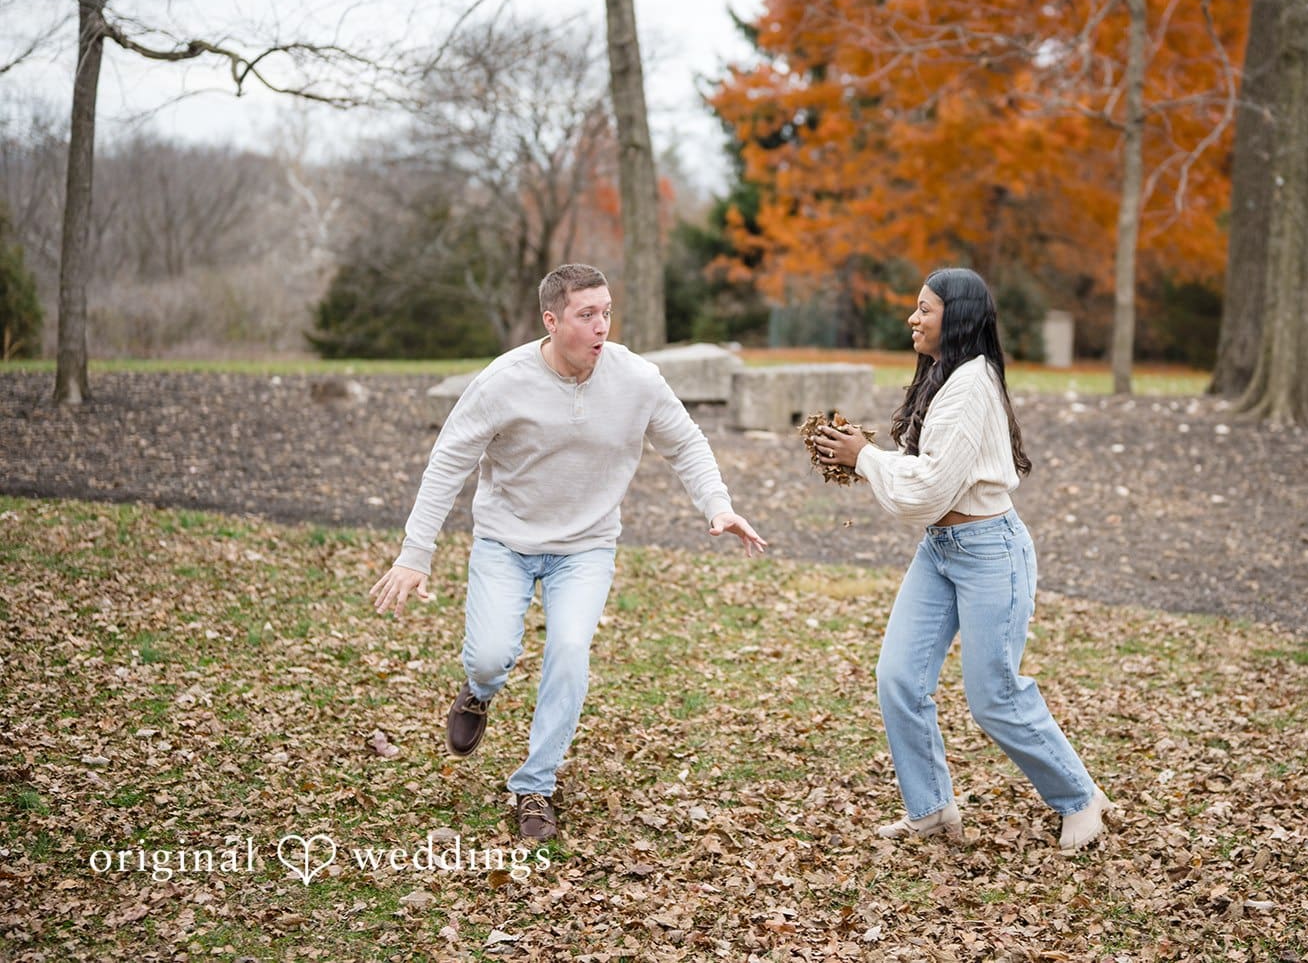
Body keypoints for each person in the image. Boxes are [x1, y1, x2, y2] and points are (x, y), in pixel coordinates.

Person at [370, 263, 766, 841]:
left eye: (606, 312)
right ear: (552, 321)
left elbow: (686, 444)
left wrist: (718, 504)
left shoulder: (637, 378)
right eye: (587, 315)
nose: (602, 326)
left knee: (570, 649)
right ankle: (478, 693)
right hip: (505, 541)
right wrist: (415, 552)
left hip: (585, 548)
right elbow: (448, 461)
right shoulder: (503, 381)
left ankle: (536, 786)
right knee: (488, 656)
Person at [811, 267, 1112, 852]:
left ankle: (1080, 798)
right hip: (940, 551)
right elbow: (924, 477)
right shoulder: (945, 378)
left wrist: (864, 457)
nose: (912, 318)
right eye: (915, 307)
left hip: (989, 551)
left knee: (994, 694)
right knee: (899, 677)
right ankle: (930, 811)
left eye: (924, 308)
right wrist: (863, 456)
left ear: (958, 316)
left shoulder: (972, 385)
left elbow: (925, 491)